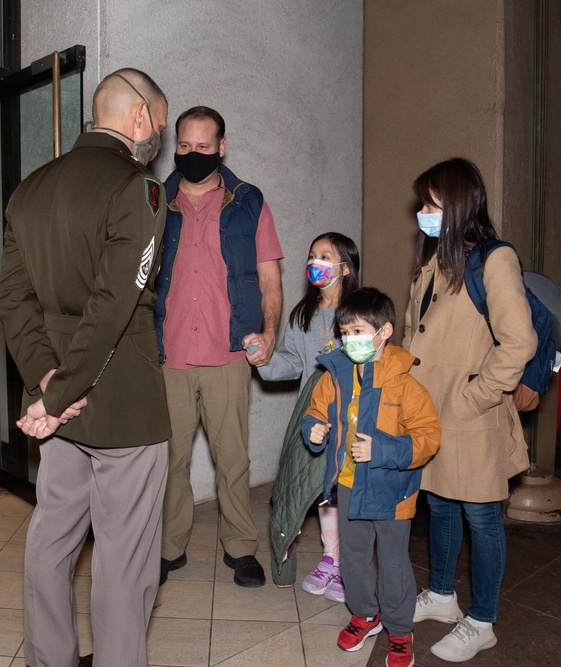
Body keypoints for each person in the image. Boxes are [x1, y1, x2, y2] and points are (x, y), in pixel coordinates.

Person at [0, 68, 171, 667]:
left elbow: (13, 300)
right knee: (123, 560)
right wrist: (62, 390)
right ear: (140, 117)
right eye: (160, 127)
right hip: (121, 398)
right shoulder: (139, 188)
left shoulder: (29, 190)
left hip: (56, 399)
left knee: (51, 539)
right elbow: (116, 303)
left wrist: (46, 383)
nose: (159, 142)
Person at [404, 157, 537, 663]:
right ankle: (441, 594)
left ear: (458, 205)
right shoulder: (434, 262)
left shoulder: (492, 260)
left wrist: (474, 395)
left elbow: (518, 343)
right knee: (438, 503)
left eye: (431, 203)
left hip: (472, 416)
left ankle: (482, 620)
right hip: (430, 413)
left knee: (482, 518)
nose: (423, 212)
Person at [154, 106, 284, 588]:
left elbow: (270, 278)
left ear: (222, 148)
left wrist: (270, 334)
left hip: (229, 354)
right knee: (171, 461)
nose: (191, 154)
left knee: (233, 459)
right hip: (167, 357)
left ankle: (241, 549)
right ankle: (169, 548)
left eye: (203, 147)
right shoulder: (154, 201)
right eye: (183, 146)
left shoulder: (249, 202)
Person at [302, 287, 441, 667]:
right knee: (354, 558)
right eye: (345, 333)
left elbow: (428, 436)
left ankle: (399, 631)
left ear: (384, 332)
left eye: (359, 331)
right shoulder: (336, 375)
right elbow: (316, 410)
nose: (350, 340)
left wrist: (383, 450)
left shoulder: (405, 383)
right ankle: (365, 614)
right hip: (347, 484)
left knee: (393, 564)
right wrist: (313, 427)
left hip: (391, 491)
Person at [259, 232, 360, 595]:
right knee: (319, 492)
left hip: (349, 417)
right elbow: (290, 363)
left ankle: (350, 562)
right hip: (314, 416)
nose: (315, 262)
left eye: (325, 256)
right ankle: (331, 559)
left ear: (345, 268)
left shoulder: (358, 312)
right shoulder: (304, 315)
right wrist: (263, 358)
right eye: (312, 255)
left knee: (343, 488)